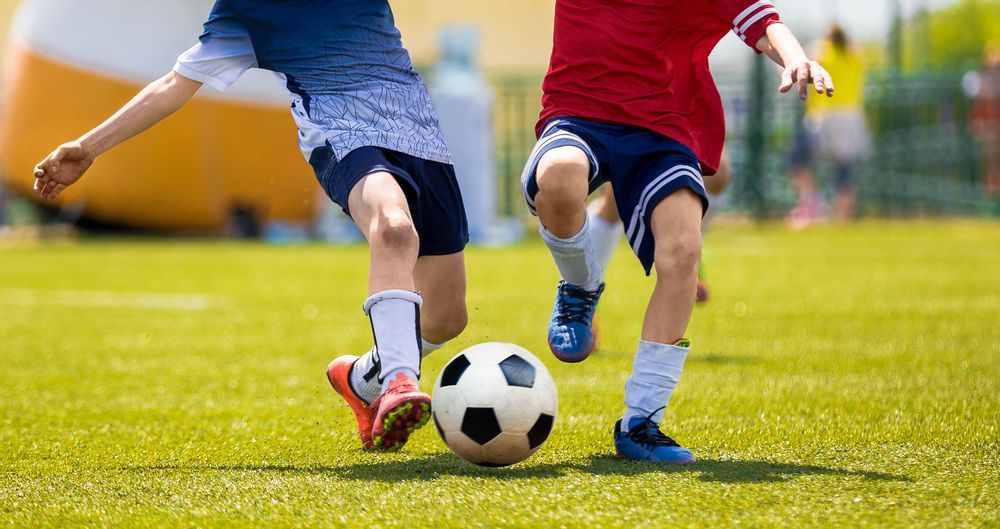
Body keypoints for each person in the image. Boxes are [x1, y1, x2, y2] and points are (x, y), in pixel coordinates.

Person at [31, 0, 470, 452]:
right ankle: (398, 382)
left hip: (423, 140)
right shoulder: (244, 12)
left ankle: (361, 379)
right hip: (343, 134)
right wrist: (88, 147)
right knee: (394, 229)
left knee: (445, 318)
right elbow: (173, 85)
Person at [521, 0, 833, 464]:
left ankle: (641, 421)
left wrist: (795, 58)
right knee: (560, 175)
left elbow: (762, 22)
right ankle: (581, 287)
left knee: (684, 249)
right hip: (576, 116)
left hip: (661, 131)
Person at [588, 150, 733, 308]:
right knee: (615, 201)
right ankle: (585, 295)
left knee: (718, 173)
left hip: (685, 126)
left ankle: (688, 251)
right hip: (635, 129)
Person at [787, 25, 869, 228]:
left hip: (823, 116)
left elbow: (797, 64)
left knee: (797, 161)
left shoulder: (822, 53)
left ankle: (812, 203)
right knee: (843, 169)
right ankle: (843, 216)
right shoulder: (854, 56)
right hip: (851, 117)